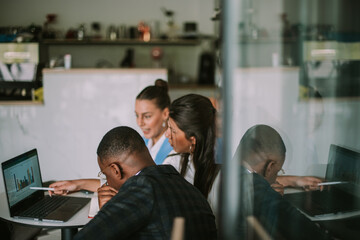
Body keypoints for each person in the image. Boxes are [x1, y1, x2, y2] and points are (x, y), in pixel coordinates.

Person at [73, 126, 217, 240]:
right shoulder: (191, 190)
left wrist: (107, 211)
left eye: (105, 175)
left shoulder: (141, 187)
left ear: (116, 170)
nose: (107, 183)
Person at [49, 79, 173, 195]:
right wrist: (77, 184)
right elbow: (122, 181)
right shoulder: (143, 142)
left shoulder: (173, 151)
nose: (140, 122)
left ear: (165, 114)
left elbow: (145, 190)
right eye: (137, 115)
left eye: (147, 116)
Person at [234, 124, 329, 239]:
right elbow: (297, 224)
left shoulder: (228, 171)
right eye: (278, 171)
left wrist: (294, 181)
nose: (276, 178)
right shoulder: (255, 188)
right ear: (270, 166)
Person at [163, 94, 221, 217]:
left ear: (193, 140)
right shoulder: (173, 162)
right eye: (168, 127)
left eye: (173, 130)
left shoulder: (222, 171)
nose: (167, 134)